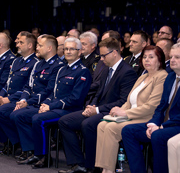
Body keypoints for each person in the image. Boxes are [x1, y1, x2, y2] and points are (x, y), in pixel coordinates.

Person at [58, 37, 137, 173]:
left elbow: (123, 101)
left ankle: (92, 166)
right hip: (98, 109)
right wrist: (92, 106)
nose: (101, 59)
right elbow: (98, 92)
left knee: (88, 124)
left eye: (103, 55)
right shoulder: (107, 68)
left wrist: (98, 110)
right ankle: (78, 163)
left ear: (114, 53)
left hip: (113, 112)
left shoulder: (127, 72)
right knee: (65, 121)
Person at [95, 45, 167, 173]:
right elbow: (129, 101)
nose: (147, 60)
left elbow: (152, 106)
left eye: (151, 57)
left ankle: (109, 170)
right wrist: (118, 111)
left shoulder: (162, 76)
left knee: (111, 128)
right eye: (144, 57)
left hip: (145, 118)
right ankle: (104, 168)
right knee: (102, 125)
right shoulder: (143, 76)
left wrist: (125, 113)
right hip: (130, 116)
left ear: (160, 59)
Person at [27, 37, 92, 169]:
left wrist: (50, 106)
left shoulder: (82, 71)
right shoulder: (62, 69)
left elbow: (75, 99)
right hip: (56, 108)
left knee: (38, 119)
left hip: (71, 110)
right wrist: (45, 104)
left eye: (72, 49)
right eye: (66, 49)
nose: (68, 51)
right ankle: (40, 154)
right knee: (35, 116)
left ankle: (44, 157)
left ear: (79, 52)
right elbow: (53, 93)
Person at [122, 43, 180, 173]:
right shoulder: (171, 77)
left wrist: (161, 127)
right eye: (171, 57)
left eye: (177, 57)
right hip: (163, 123)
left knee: (158, 136)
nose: (173, 60)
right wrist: (153, 123)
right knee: (128, 130)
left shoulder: (163, 76)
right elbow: (161, 106)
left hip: (176, 124)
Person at [0, 32, 39, 153]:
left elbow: (28, 88)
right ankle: (8, 140)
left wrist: (9, 99)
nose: (17, 44)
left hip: (20, 98)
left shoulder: (35, 63)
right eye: (17, 41)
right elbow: (7, 83)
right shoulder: (17, 61)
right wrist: (0, 95)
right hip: (7, 97)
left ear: (30, 45)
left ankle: (16, 142)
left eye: (21, 42)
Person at [10, 35, 64, 164]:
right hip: (34, 102)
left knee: (21, 116)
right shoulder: (38, 64)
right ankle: (31, 150)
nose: (37, 48)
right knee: (15, 115)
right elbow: (28, 86)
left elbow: (49, 90)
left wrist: (28, 102)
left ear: (49, 48)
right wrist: (23, 100)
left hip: (45, 102)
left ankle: (39, 153)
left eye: (40, 45)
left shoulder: (58, 66)